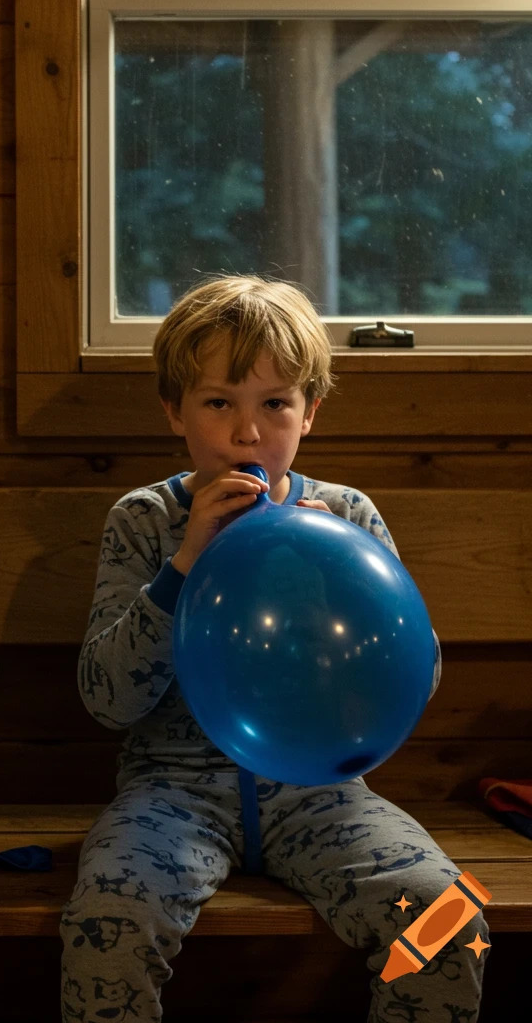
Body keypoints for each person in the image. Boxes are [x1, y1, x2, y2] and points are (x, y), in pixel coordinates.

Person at [60, 275, 489, 1022]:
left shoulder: (348, 515)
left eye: (275, 403)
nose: (247, 432)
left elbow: (414, 680)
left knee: (450, 918)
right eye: (218, 402)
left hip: (323, 796)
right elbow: (107, 698)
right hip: (174, 795)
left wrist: (337, 580)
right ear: (175, 411)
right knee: (106, 924)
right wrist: (184, 565)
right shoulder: (143, 521)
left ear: (310, 412)